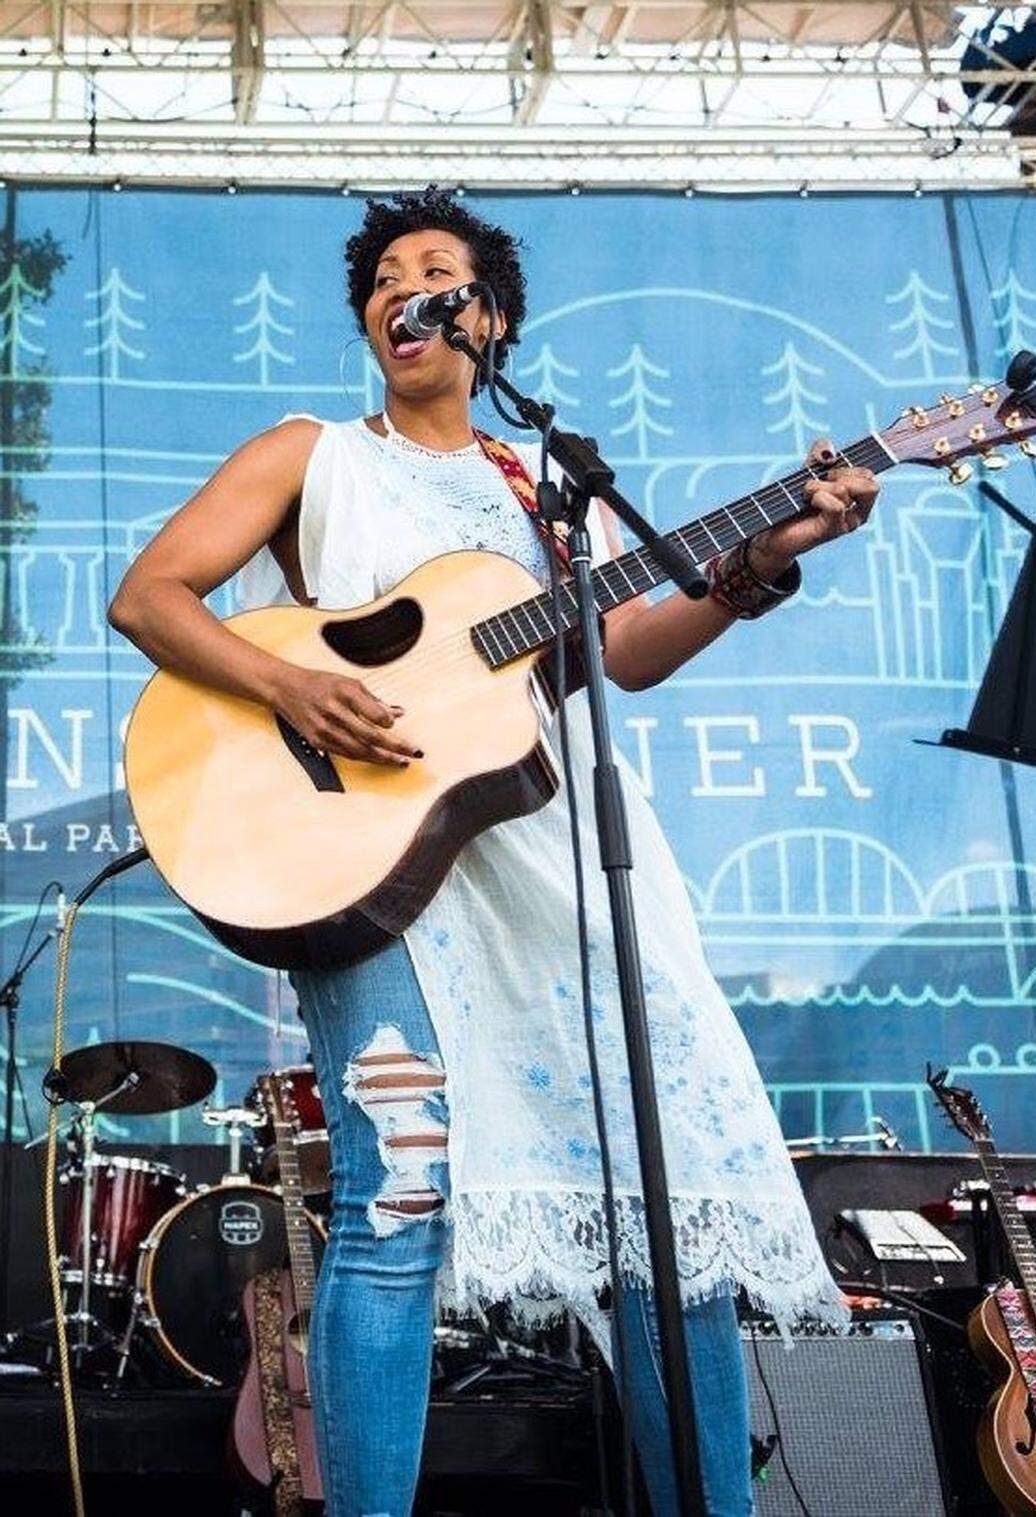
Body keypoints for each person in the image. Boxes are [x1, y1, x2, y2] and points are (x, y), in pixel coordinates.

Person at [109, 188, 879, 1517]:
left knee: (664, 1200)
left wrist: (756, 559)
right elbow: (151, 595)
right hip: (373, 867)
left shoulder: (536, 488)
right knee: (399, 1197)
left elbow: (613, 655)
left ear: (491, 321)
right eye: (385, 277)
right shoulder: (311, 454)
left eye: (437, 273)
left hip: (555, 857)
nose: (406, 289)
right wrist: (289, 686)